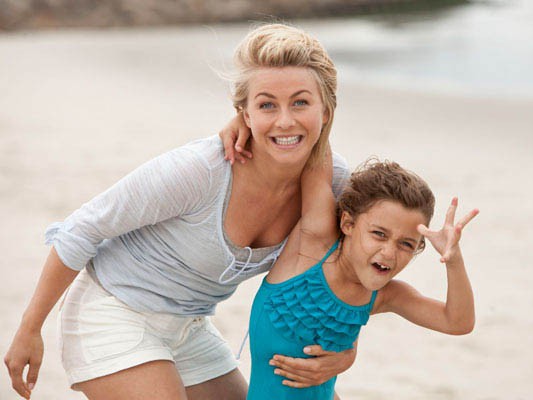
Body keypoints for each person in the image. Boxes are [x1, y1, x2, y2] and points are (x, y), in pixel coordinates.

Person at [3, 23, 356, 400]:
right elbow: (84, 227)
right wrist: (29, 329)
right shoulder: (202, 170)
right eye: (267, 104)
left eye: (300, 103)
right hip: (112, 310)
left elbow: (354, 272)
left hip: (189, 329)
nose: (284, 120)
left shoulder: (332, 184)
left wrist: (346, 353)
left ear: (326, 109)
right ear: (245, 113)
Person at [243, 150, 478, 399]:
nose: (389, 252)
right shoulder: (312, 246)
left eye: (406, 244)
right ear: (348, 224)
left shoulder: (384, 295)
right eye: (379, 234)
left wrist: (453, 259)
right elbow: (316, 143)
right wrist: (239, 128)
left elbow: (458, 322)